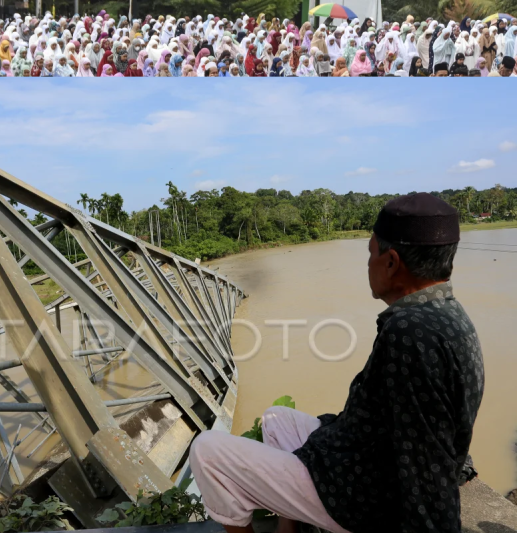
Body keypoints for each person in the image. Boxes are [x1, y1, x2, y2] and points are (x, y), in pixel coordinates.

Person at [191, 193, 483, 533]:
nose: (368, 264)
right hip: (364, 457)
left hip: (360, 496)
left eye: (370, 253)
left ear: (391, 262)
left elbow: (422, 456)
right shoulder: (448, 313)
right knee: (275, 419)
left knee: (208, 451)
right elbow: (438, 423)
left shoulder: (409, 332)